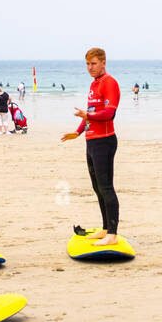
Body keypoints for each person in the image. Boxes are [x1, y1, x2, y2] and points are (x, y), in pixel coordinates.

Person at [61, 47, 122, 245]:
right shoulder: (94, 84)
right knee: (97, 188)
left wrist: (88, 116)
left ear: (103, 62)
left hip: (105, 140)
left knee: (106, 187)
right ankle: (105, 229)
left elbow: (109, 113)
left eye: (94, 63)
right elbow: (90, 112)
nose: (90, 67)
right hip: (91, 140)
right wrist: (78, 132)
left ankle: (112, 234)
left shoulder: (109, 83)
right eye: (87, 64)